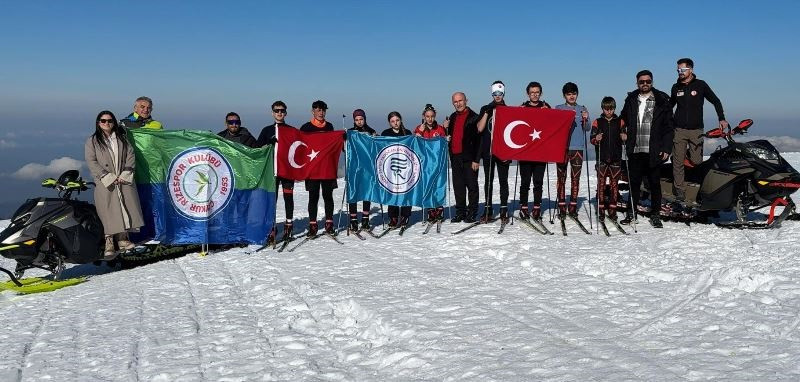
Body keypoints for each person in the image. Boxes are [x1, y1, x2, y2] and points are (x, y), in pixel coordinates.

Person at [84, 111, 145, 259]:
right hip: (106, 182)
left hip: (122, 178)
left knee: (124, 208)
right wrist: (108, 176)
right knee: (107, 211)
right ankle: (109, 242)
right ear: (98, 122)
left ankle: (123, 238)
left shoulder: (121, 139)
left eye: (110, 121)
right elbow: (91, 161)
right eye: (103, 121)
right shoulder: (92, 141)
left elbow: (130, 155)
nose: (107, 123)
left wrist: (125, 173)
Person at [619, 70, 675, 228]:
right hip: (635, 149)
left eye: (648, 81)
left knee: (654, 184)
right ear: (637, 82)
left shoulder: (662, 99)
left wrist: (666, 148)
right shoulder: (631, 99)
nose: (645, 84)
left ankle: (656, 215)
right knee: (634, 184)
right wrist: (623, 131)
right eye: (642, 81)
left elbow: (669, 127)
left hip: (654, 149)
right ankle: (631, 213)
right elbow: (623, 118)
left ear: (652, 82)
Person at [670, 57, 728, 204]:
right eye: (678, 70)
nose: (680, 72)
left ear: (691, 70)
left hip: (696, 130)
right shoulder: (675, 87)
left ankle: (685, 155)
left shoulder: (701, 85)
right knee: (677, 162)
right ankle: (680, 191)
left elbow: (716, 101)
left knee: (697, 161)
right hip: (679, 129)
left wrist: (721, 118)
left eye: (682, 70)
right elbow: (669, 106)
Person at [256, 101, 296, 243]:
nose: (279, 113)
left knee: (288, 197)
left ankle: (289, 224)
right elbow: (257, 149)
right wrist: (268, 144)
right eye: (276, 110)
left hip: (287, 170)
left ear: (285, 112)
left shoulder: (291, 130)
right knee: (272, 199)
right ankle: (271, 226)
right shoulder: (267, 130)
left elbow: (300, 147)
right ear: (272, 112)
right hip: (271, 171)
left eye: (282, 110)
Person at [300, 100, 337, 236]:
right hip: (312, 168)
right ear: (313, 111)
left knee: (328, 196)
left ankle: (329, 223)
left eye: (323, 110)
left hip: (327, 168)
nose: (321, 112)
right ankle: (313, 225)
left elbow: (333, 145)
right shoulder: (306, 127)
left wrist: (342, 138)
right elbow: (300, 145)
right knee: (313, 197)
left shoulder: (330, 126)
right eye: (318, 110)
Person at [476, 81, 511, 223]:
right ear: (492, 94)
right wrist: (486, 111)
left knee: (503, 181)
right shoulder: (486, 108)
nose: (498, 96)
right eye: (495, 93)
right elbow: (479, 128)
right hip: (488, 151)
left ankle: (503, 210)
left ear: (503, 94)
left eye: (500, 93)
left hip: (503, 151)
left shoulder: (508, 109)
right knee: (488, 181)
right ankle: (488, 209)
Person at [444, 92, 481, 223]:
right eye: (455, 101)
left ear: (466, 100)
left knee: (472, 186)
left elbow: (479, 141)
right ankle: (460, 212)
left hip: (469, 158)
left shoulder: (474, 117)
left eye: (460, 100)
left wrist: (476, 159)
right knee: (458, 187)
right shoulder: (452, 117)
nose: (458, 103)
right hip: (455, 157)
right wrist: (445, 129)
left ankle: (472, 213)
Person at [554, 82, 591, 219]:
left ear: (577, 94)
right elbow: (553, 127)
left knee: (575, 179)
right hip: (562, 148)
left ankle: (573, 206)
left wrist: (586, 118)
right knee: (561, 178)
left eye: (574, 94)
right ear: (564, 95)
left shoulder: (582, 109)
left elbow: (587, 128)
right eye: (569, 94)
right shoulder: (559, 108)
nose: (571, 96)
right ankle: (562, 205)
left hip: (578, 148)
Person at [519, 81, 552, 221]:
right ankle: (524, 207)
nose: (534, 95)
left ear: (541, 93)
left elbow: (553, 125)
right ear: (528, 94)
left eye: (537, 92)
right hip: (525, 151)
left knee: (538, 181)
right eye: (532, 92)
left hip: (541, 151)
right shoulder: (523, 107)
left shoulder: (546, 107)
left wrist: (548, 114)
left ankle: (537, 207)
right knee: (525, 181)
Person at [591, 97, 626, 221]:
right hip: (601, 158)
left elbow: (625, 135)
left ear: (614, 108)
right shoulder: (597, 122)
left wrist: (624, 136)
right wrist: (596, 139)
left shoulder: (620, 121)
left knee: (614, 185)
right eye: (606, 108)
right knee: (601, 185)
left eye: (611, 108)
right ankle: (601, 210)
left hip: (616, 158)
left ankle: (612, 210)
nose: (609, 111)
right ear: (602, 108)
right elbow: (592, 139)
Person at [414, 104, 447, 222]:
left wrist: (446, 139)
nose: (430, 119)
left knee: (438, 185)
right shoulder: (419, 128)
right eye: (427, 116)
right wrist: (418, 134)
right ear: (424, 116)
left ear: (435, 116)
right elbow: (415, 145)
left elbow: (444, 145)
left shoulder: (439, 129)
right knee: (427, 186)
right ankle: (430, 210)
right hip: (425, 164)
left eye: (432, 116)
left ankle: (439, 208)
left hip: (438, 163)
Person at [381, 111, 413, 227]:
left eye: (397, 120)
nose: (395, 123)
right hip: (390, 167)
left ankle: (405, 215)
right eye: (392, 121)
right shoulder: (385, 133)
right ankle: (393, 217)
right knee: (392, 191)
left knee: (406, 191)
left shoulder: (407, 133)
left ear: (401, 120)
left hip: (405, 166)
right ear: (389, 123)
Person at [347, 109, 377, 231]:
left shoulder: (371, 131)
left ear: (365, 119)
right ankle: (353, 220)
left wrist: (375, 138)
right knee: (353, 191)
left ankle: (365, 218)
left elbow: (376, 148)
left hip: (367, 166)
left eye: (361, 119)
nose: (359, 122)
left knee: (367, 191)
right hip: (354, 166)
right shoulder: (350, 132)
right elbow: (345, 149)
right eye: (357, 120)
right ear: (354, 120)